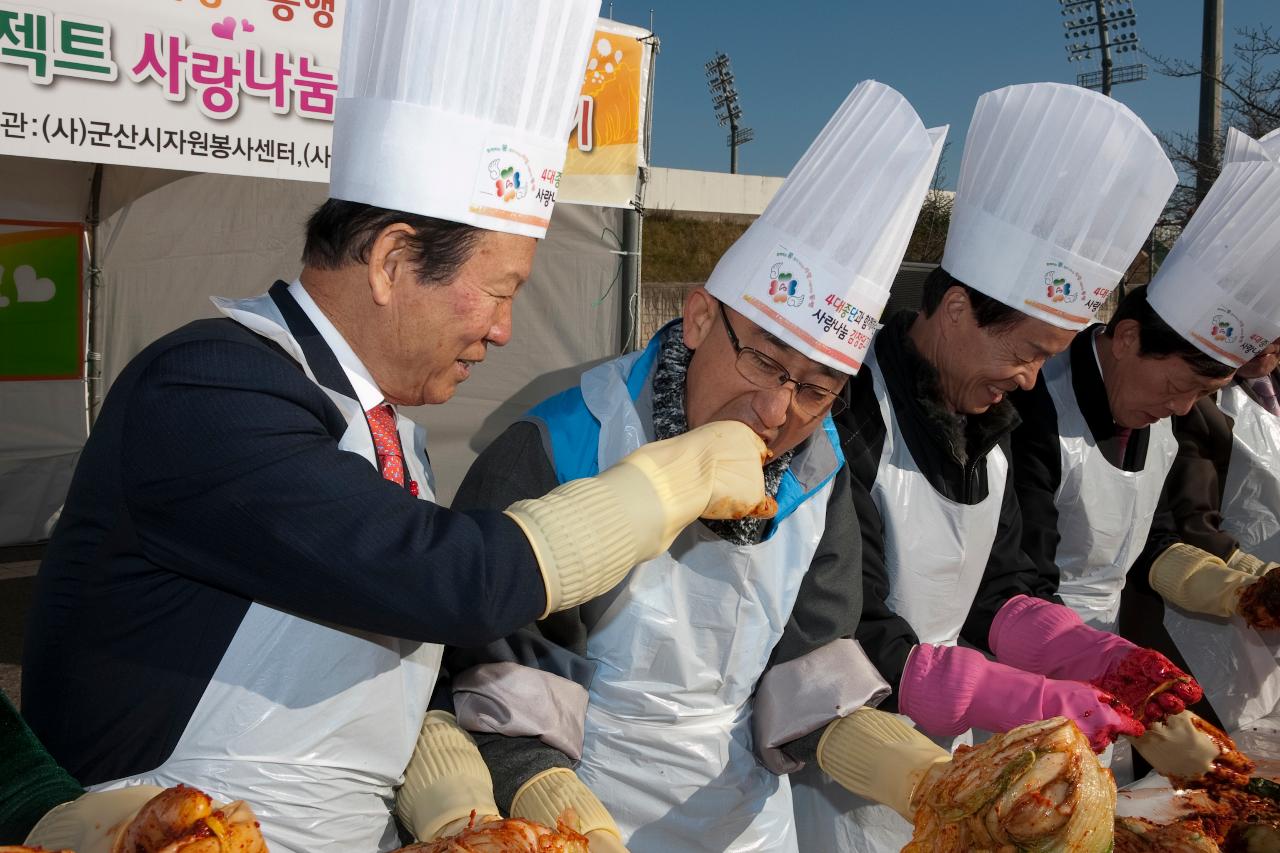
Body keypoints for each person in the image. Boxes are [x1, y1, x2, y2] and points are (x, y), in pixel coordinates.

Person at [18, 3, 773, 851]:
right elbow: (447, 580)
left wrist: (458, 803)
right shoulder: (207, 388)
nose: (503, 330)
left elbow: (380, 670)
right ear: (390, 260)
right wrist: (673, 479)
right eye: (499, 291)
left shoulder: (392, 435)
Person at [431, 81, 948, 853]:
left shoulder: (818, 473)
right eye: (763, 364)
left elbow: (804, 675)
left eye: (816, 389)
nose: (776, 414)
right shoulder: (563, 443)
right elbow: (497, 686)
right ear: (702, 317)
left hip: (747, 824)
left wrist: (925, 776)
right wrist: (571, 821)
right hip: (580, 813)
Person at [793, 82, 1189, 853]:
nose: (1033, 378)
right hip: (848, 766)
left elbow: (1004, 590)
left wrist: (1105, 659)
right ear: (955, 312)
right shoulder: (847, 413)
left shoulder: (991, 421)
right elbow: (852, 630)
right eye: (1027, 352)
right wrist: (1027, 694)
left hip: (965, 761)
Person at [1110, 126, 1280, 735]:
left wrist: (1254, 585)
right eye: (1181, 387)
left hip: (1121, 673)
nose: (1183, 409)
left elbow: (1155, 533)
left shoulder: (1168, 406)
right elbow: (1170, 532)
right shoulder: (1046, 408)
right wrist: (1240, 590)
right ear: (1126, 340)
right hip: (1138, 648)